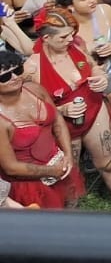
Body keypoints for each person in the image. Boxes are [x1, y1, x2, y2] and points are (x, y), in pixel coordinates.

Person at [23, 8, 111, 200]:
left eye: (72, 34)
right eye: (63, 37)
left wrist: (100, 77)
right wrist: (61, 109)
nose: (70, 39)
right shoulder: (32, 68)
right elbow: (30, 108)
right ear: (46, 38)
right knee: (70, 173)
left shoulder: (77, 45)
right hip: (63, 125)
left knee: (108, 162)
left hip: (93, 109)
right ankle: (73, 212)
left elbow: (92, 65)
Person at [0, 44, 81, 209]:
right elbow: (11, 168)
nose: (15, 77)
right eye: (5, 76)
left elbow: (57, 120)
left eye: (18, 70)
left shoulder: (35, 89)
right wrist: (51, 171)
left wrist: (68, 155)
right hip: (29, 185)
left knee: (70, 209)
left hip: (58, 165)